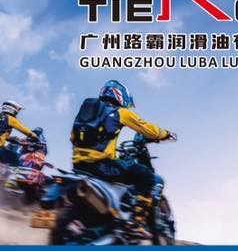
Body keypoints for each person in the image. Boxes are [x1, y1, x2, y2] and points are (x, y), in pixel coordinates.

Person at [69, 80, 175, 238]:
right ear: (120, 96)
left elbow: (72, 137)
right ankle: (137, 224)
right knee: (146, 176)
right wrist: (165, 134)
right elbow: (147, 129)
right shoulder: (120, 112)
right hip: (101, 166)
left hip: (78, 166)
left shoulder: (87, 110)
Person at [0, 100, 39, 167]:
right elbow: (25, 130)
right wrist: (35, 136)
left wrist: (19, 142)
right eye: (18, 109)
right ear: (12, 108)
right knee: (15, 159)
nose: (18, 111)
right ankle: (8, 176)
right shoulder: (11, 119)